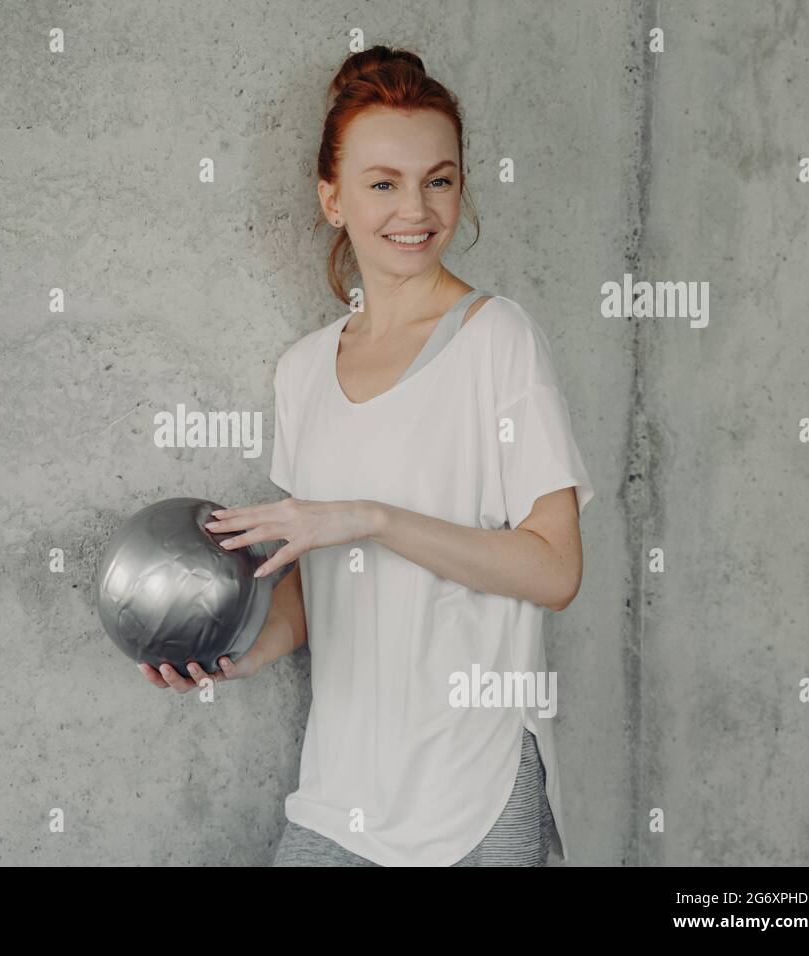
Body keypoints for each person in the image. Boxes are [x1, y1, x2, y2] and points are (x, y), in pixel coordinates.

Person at [137, 46, 594, 867]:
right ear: (333, 198)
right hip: (341, 786)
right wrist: (237, 653)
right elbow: (316, 594)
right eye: (383, 182)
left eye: (440, 179)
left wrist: (372, 518)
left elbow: (554, 570)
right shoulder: (303, 371)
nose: (414, 208)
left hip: (474, 784)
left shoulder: (499, 340)